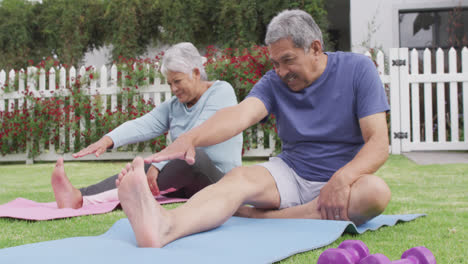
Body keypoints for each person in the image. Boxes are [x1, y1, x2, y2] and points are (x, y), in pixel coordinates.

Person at [116, 9, 392, 248]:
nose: (281, 71)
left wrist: (341, 180)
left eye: (288, 60)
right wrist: (191, 137)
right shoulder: (274, 82)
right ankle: (166, 226)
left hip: (346, 177)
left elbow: (378, 143)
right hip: (292, 173)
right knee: (239, 178)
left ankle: (259, 217)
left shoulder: (358, 70)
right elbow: (240, 115)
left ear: (315, 48)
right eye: (275, 63)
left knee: (376, 193)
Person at [50, 42, 242, 209]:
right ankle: (79, 196)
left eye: (177, 81)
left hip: (222, 183)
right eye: (169, 83)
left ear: (196, 73)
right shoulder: (175, 106)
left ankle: (111, 194)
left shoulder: (221, 92)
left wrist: (159, 164)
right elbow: (143, 124)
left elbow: (196, 135)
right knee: (145, 165)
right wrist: (107, 140)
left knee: (191, 157)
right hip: (190, 187)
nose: (173, 89)